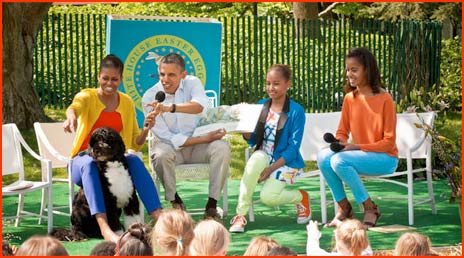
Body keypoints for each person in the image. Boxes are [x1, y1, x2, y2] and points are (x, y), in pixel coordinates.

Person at [63, 54, 162, 243]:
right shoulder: (87, 95)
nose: (109, 82)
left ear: (121, 79)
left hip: (114, 160)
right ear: (99, 76)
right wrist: (71, 116)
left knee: (133, 159)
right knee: (89, 164)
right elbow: (74, 107)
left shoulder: (126, 102)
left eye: (114, 79)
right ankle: (105, 228)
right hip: (83, 161)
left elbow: (135, 142)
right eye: (105, 78)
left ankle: (159, 217)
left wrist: (145, 129)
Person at [316, 47, 398, 228]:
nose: (349, 74)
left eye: (354, 70)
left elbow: (388, 143)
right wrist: (338, 141)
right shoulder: (349, 98)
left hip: (385, 158)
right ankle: (344, 208)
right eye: (347, 70)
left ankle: (370, 208)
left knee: (339, 161)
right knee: (323, 157)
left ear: (367, 70)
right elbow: (343, 131)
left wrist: (355, 147)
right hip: (360, 155)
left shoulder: (385, 99)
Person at [142, 53, 231, 219]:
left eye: (171, 75)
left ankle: (212, 204)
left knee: (222, 147)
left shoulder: (192, 82)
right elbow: (166, 136)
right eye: (162, 74)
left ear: (183, 75)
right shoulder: (150, 96)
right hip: (173, 150)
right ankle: (175, 201)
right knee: (160, 153)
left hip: (199, 148)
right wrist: (205, 138)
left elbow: (199, 107)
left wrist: (170, 108)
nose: (165, 80)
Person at [229, 64, 310, 233]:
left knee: (268, 198)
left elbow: (293, 149)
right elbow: (252, 139)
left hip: (285, 162)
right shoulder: (261, 106)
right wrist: (243, 128)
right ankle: (240, 215)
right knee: (252, 165)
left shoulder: (296, 111)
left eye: (276, 83)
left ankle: (301, 197)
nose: (270, 88)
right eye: (268, 83)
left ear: (288, 84)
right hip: (263, 154)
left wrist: (270, 169)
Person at [306, 219, 372, 256]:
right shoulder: (367, 254)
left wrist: (313, 232)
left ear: (339, 245)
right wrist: (343, 228)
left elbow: (313, 252)